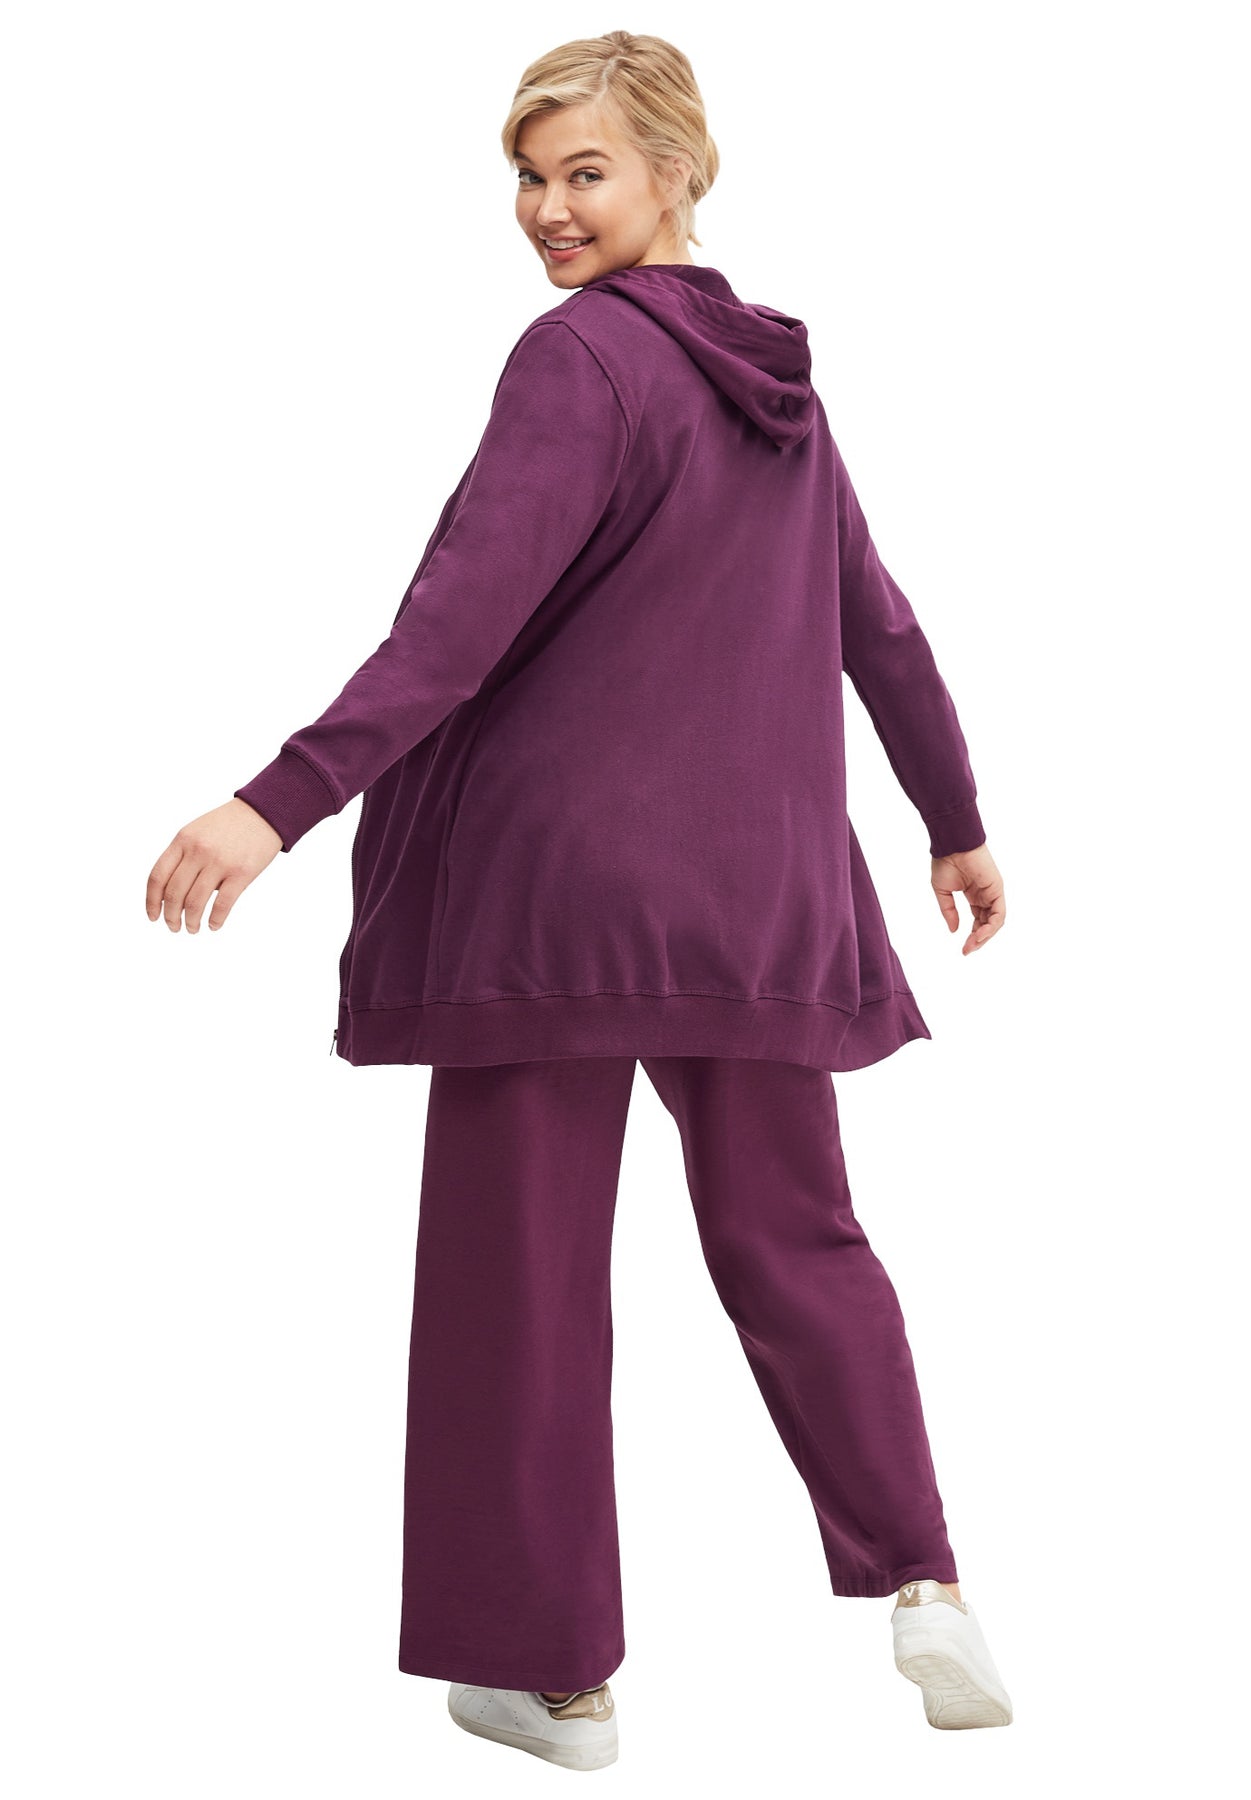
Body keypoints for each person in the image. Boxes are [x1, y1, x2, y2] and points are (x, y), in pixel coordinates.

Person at [146, 29, 1013, 1768]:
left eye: (586, 172)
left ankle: (552, 1681)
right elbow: (879, 620)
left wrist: (274, 803)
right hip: (757, 894)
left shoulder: (581, 359)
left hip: (548, 901)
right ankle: (925, 1582)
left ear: (679, 173)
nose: (548, 210)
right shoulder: (778, 385)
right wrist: (954, 818)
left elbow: (455, 626)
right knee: (799, 1239)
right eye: (529, 178)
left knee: (517, 1276)